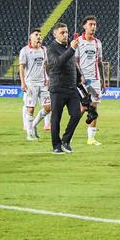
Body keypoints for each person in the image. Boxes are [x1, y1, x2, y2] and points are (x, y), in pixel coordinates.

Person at [46, 22, 84, 154]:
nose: (65, 35)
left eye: (67, 32)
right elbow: (57, 63)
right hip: (57, 88)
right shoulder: (51, 48)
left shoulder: (69, 46)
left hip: (71, 87)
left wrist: (80, 76)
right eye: (62, 32)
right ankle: (56, 146)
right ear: (55, 34)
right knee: (56, 118)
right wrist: (72, 49)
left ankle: (66, 140)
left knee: (76, 114)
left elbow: (73, 64)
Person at [74, 16, 104, 146]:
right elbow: (75, 61)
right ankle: (71, 128)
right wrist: (79, 76)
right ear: (84, 26)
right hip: (83, 80)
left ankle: (91, 138)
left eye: (95, 24)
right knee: (84, 106)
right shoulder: (78, 41)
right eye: (91, 24)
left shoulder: (98, 43)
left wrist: (103, 80)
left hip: (95, 80)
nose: (93, 27)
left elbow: (100, 62)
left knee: (94, 106)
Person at [18, 29, 50, 141]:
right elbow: (21, 67)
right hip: (31, 83)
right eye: (36, 35)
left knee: (48, 107)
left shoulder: (44, 50)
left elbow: (45, 65)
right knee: (30, 109)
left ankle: (34, 124)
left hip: (43, 83)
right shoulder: (25, 50)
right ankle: (29, 133)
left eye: (40, 35)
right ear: (30, 37)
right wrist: (22, 82)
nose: (39, 37)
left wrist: (47, 77)